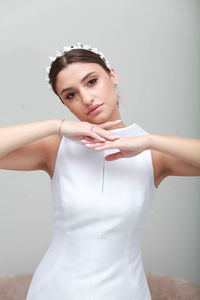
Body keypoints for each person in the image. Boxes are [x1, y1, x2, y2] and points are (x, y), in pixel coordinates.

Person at [0, 42, 199, 300]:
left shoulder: (154, 154)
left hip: (125, 291)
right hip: (54, 290)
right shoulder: (55, 148)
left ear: (112, 76)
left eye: (92, 82)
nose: (86, 98)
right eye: (70, 95)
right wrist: (55, 126)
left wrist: (150, 141)